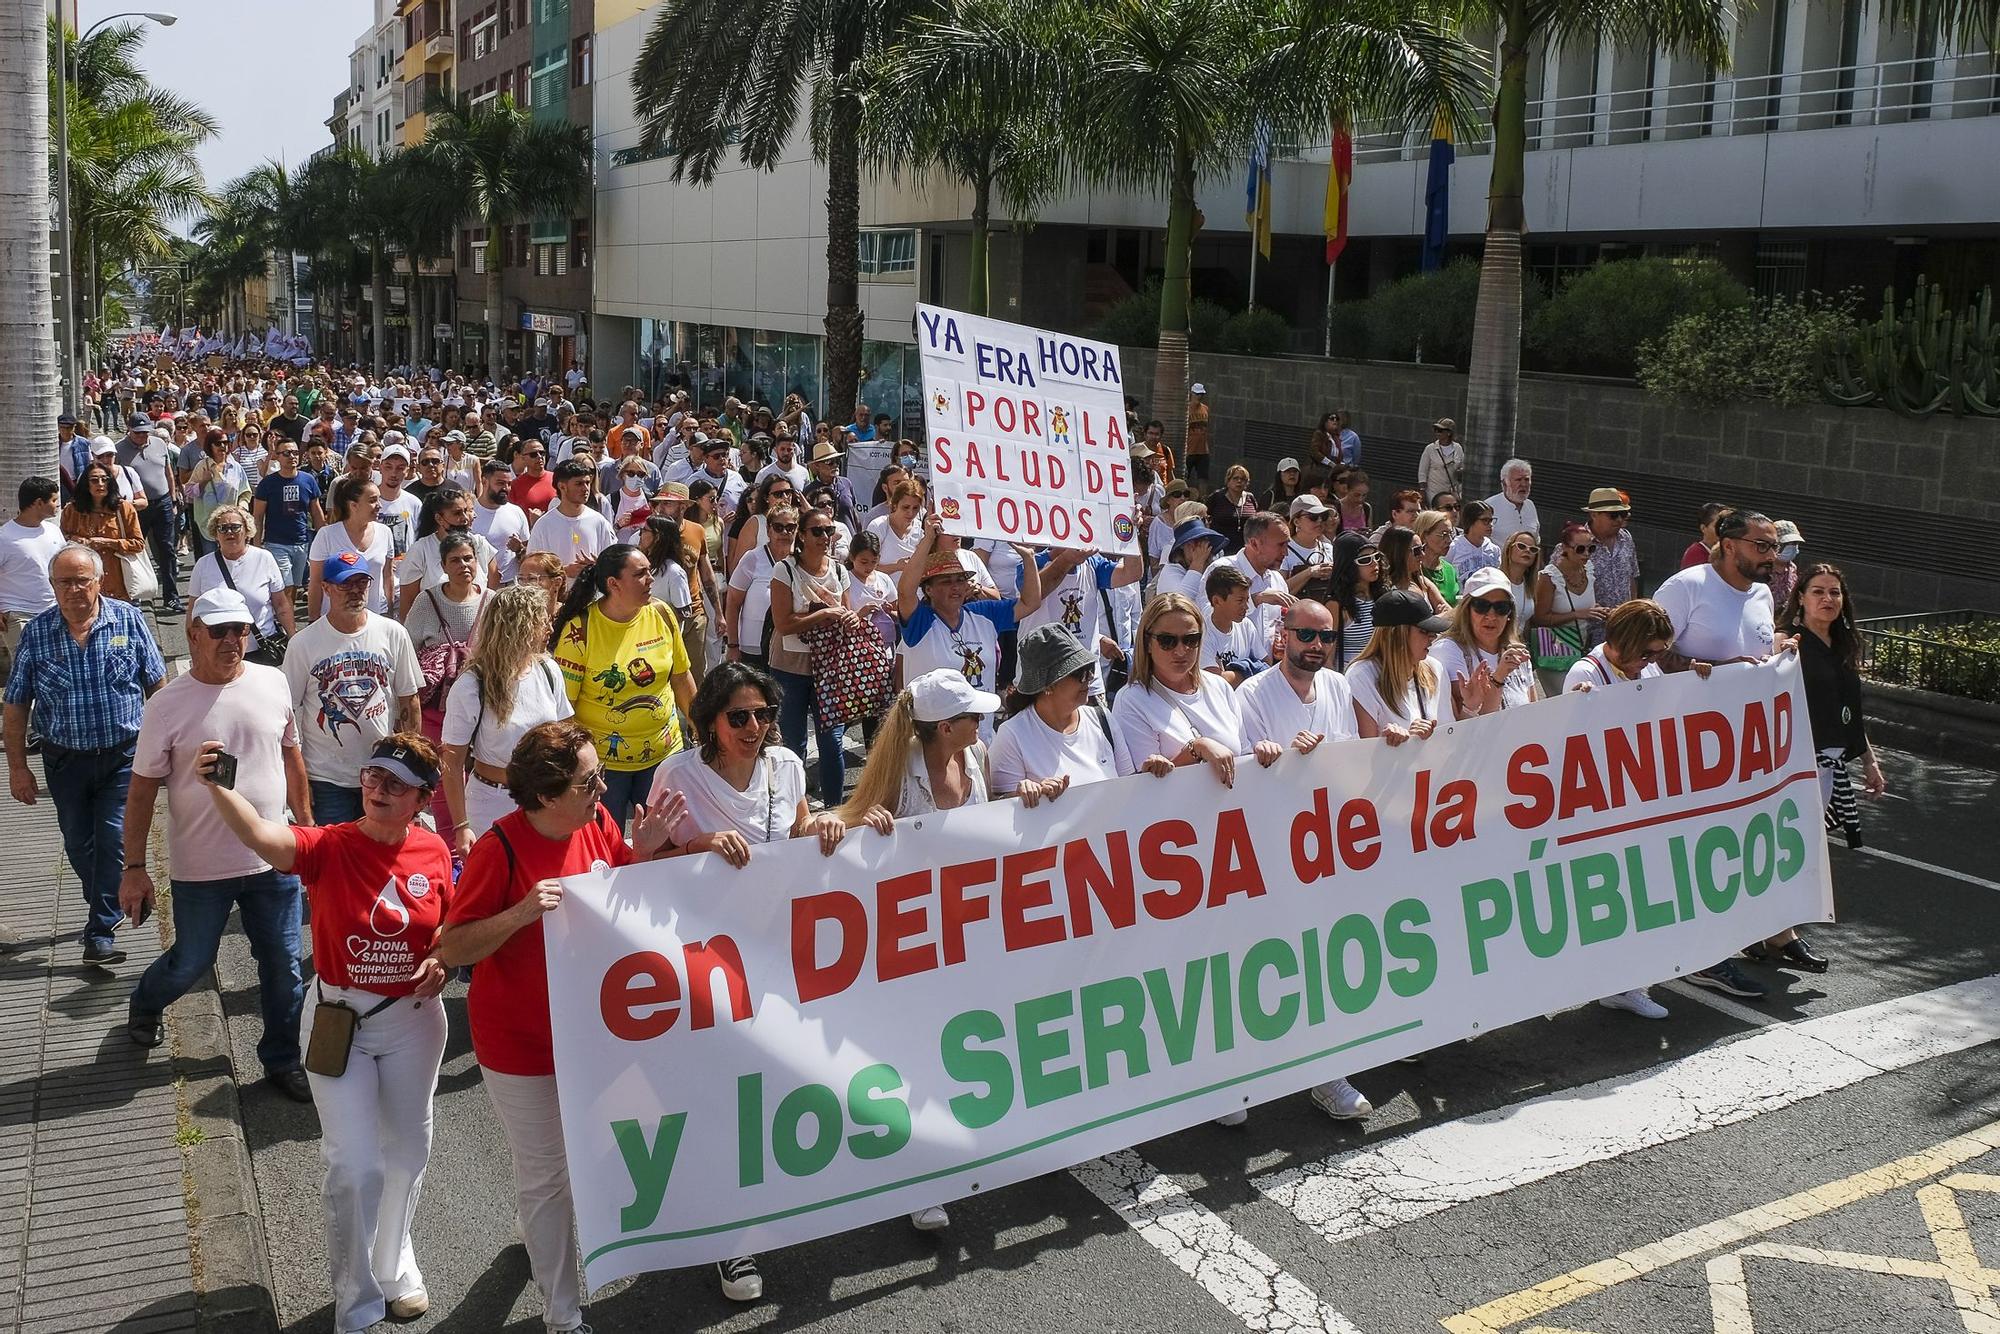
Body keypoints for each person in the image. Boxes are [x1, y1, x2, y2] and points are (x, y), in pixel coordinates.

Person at [433, 721, 681, 1332]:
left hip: (593, 1033)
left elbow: (621, 890)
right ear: (545, 796)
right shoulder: (500, 849)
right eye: (589, 781)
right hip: (519, 1043)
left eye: (599, 776)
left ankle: (537, 1229)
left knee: (616, 1141)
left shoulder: (593, 824)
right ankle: (563, 1315)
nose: (603, 788)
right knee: (550, 1177)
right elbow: (454, 946)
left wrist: (642, 852)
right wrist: (519, 913)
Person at [648, 663, 853, 1301]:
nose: (755, 728)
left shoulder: (787, 766)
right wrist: (696, 847)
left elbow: (794, 836)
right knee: (721, 1099)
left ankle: (767, 1207)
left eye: (763, 715)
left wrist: (822, 825)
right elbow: (644, 867)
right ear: (709, 717)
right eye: (739, 716)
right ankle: (727, 1241)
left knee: (771, 1094)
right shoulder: (677, 775)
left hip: (776, 957)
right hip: (705, 962)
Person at [119, 585, 308, 1086]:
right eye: (219, 631)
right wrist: (134, 869)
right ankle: (145, 1000)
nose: (231, 641)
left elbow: (291, 755)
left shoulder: (272, 681)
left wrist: (308, 830)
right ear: (194, 634)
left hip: (273, 859)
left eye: (240, 630)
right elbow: (140, 793)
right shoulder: (165, 705)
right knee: (191, 962)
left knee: (284, 966)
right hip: (201, 866)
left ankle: (283, 1060)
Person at [1234, 598, 1374, 1120]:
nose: (1317, 647)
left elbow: (1357, 756)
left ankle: (1327, 1074)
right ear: (1282, 635)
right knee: (1266, 965)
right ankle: (1240, 1077)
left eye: (1327, 638)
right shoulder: (1251, 694)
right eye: (1307, 636)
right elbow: (1239, 775)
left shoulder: (1339, 687)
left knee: (1323, 961)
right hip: (1273, 851)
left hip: (1332, 846)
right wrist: (1276, 756)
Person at [3, 545, 166, 964]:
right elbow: (17, 703)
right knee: (78, 844)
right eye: (64, 582)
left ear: (99, 582)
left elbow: (158, 687)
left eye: (82, 580)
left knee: (113, 839)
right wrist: (18, 767)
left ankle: (101, 930)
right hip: (63, 761)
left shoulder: (127, 620)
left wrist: (169, 749)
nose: (73, 589)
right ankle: (115, 897)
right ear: (53, 586)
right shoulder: (37, 633)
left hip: (123, 756)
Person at [1653, 510, 1785, 1000]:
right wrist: (1706, 668)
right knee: (1685, 851)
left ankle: (1717, 948)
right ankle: (1697, 956)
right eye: (1763, 546)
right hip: (1681, 746)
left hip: (1740, 753)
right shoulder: (1687, 586)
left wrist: (1779, 651)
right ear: (1729, 544)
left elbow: (1757, 653)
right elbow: (1639, 650)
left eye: (1774, 548)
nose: (1772, 557)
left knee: (1725, 851)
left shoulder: (1764, 594)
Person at [1556, 596, 1681, 1022]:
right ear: (1623, 642)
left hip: (1634, 804)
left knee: (1635, 898)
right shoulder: (1585, 673)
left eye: (1659, 653)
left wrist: (1700, 681)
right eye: (1647, 652)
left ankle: (1625, 983)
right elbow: (1573, 746)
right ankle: (1605, 981)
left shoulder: (1645, 669)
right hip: (1598, 812)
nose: (1651, 661)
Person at [1759, 563, 1877, 970]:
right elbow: (1762, 685)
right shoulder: (1788, 642)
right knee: (1786, 847)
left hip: (1829, 766)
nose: (1828, 599)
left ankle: (1775, 929)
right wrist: (1776, 652)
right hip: (1792, 765)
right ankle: (1778, 933)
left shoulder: (1844, 645)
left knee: (1801, 850)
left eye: (1835, 592)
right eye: (1818, 591)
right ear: (1801, 598)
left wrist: (1869, 762)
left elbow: (1852, 713)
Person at [551, 543, 696, 826]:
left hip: (664, 758)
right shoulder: (580, 631)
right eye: (640, 574)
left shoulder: (662, 614)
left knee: (665, 841)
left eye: (649, 572)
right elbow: (564, 710)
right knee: (607, 845)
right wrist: (580, 765)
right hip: (605, 769)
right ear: (613, 584)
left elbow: (681, 677)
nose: (651, 579)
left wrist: (703, 727)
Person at [287, 553, 424, 825]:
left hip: (384, 772)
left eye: (361, 583)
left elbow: (410, 701)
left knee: (382, 854)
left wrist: (411, 766)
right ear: (325, 588)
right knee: (335, 858)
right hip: (327, 778)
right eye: (345, 584)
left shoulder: (392, 632)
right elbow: (286, 712)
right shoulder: (304, 644)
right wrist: (298, 781)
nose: (355, 591)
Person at [439, 586, 571, 855]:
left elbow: (567, 735)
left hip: (545, 800)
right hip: (491, 802)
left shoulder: (548, 670)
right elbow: (451, 762)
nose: (549, 628)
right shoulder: (471, 685)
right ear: (520, 627)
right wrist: (461, 826)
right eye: (542, 621)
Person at [895, 518, 1044, 738]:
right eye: (946, 582)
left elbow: (1030, 603)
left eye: (961, 580)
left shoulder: (983, 613)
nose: (956, 587)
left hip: (980, 736)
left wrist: (1028, 558)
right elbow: (905, 593)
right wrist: (928, 539)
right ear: (928, 590)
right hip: (933, 739)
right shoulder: (920, 622)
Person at [767, 505, 857, 803]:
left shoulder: (840, 570)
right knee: (793, 744)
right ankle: (795, 811)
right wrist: (824, 614)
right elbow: (783, 624)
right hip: (790, 668)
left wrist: (850, 618)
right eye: (817, 531)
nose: (824, 536)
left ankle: (834, 809)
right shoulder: (785, 570)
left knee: (832, 742)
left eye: (829, 530)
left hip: (830, 667)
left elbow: (846, 614)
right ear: (802, 536)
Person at [986, 624, 1133, 799]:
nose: (1090, 677)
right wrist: (1026, 794)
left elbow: (1130, 788)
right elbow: (998, 810)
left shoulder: (1103, 719)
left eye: (1090, 669)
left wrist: (1152, 772)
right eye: (1080, 673)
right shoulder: (1011, 735)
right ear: (1048, 686)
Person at [188, 504, 294, 666]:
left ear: (247, 531)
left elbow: (281, 605)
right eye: (223, 528)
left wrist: (294, 639)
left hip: (262, 650)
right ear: (215, 534)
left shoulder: (264, 558)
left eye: (235, 527)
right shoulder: (203, 565)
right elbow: (192, 613)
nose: (229, 532)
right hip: (220, 650)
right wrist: (195, 652)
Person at [1430, 567, 1537, 719]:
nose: (1491, 616)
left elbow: (1534, 713)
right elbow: (1461, 724)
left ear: (1509, 614)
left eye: (1501, 607)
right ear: (1466, 610)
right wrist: (1498, 677)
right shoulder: (1448, 651)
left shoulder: (1517, 653)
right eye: (1482, 606)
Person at [1346, 589, 1446, 742]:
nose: (1432, 638)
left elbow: (1448, 736)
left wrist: (1469, 707)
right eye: (1424, 631)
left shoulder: (1434, 668)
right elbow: (1363, 753)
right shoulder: (1360, 676)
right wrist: (1401, 743)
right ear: (1397, 635)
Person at [116, 414, 184, 614]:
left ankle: (171, 597)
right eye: (138, 433)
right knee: (134, 551)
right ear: (129, 430)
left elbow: (168, 473)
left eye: (145, 432)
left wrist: (172, 498)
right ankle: (135, 595)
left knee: (167, 550)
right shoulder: (119, 450)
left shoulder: (159, 444)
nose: (142, 437)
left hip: (162, 502)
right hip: (137, 507)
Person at [398, 486, 501, 617]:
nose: (465, 518)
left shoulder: (480, 544)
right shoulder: (420, 550)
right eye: (457, 513)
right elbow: (407, 605)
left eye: (466, 511)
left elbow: (494, 591)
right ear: (439, 519)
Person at [1531, 521, 1605, 697]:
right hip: (1555, 652)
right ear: (1565, 547)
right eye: (1580, 549)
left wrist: (1599, 611)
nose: (1586, 554)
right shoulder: (1550, 577)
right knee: (1564, 701)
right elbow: (1539, 618)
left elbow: (1586, 606)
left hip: (1581, 647)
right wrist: (1578, 614)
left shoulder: (1588, 570)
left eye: (1591, 548)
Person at [307, 477, 397, 618]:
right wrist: (313, 620)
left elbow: (388, 576)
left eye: (379, 499)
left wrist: (390, 612)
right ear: (353, 505)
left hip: (376, 617)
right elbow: (316, 582)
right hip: (335, 621)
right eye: (373, 500)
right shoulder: (326, 535)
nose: (379, 505)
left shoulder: (385, 532)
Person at [0, 478, 65, 668]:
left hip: (54, 611)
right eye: (53, 500)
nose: (57, 504)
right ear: (38, 503)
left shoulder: (54, 531)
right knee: (27, 670)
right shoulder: (5, 537)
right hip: (19, 615)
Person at [60, 460, 146, 602]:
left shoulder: (123, 508)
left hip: (118, 584)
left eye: (104, 479)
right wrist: (76, 540)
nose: (100, 484)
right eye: (94, 480)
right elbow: (62, 540)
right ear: (86, 485)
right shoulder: (72, 510)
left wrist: (108, 543)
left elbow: (138, 544)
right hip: (85, 585)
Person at [528, 459, 617, 580]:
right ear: (562, 486)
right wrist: (563, 571)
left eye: (587, 482)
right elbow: (532, 568)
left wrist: (597, 565)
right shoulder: (544, 525)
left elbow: (612, 562)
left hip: (591, 595)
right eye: (579, 484)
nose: (586, 489)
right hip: (557, 595)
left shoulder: (599, 521)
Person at [184, 429, 251, 561]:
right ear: (210, 446)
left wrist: (241, 509)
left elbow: (245, 493)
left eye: (226, 442)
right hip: (208, 524)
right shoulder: (202, 466)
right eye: (218, 443)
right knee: (211, 560)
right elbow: (189, 492)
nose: (223, 446)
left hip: (231, 524)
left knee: (232, 557)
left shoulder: (236, 467)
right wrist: (203, 481)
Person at [1327, 530, 1382, 671]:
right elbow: (1328, 658)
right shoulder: (1336, 605)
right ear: (1348, 565)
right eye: (1365, 560)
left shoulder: (1382, 596)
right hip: (1350, 679)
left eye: (1376, 557)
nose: (1374, 563)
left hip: (1381, 677)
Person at [1201, 564, 1265, 684]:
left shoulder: (1246, 625)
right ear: (1217, 601)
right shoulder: (1202, 634)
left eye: (1247, 600)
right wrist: (1249, 671)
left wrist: (1231, 674)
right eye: (1240, 600)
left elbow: (1266, 664)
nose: (1246, 607)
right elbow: (1216, 682)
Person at [1584, 487, 1640, 606]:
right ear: (1594, 515)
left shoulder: (1626, 538)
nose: (1619, 519)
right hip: (1588, 623)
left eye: (1623, 514)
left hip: (1622, 621)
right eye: (1613, 515)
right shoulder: (1577, 542)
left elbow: (1632, 578)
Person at [1157, 514, 1226, 605]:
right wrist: (1197, 562)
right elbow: (1183, 601)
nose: (1198, 547)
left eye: (1202, 540)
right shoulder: (1170, 571)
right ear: (1182, 546)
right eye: (1193, 542)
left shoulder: (1212, 569)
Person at [865, 479, 926, 575]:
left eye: (915, 508)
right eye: (905, 507)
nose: (911, 513)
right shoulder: (878, 526)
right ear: (894, 505)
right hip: (882, 588)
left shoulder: (921, 531)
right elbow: (865, 566)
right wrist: (897, 567)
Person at [1411, 508, 1460, 606]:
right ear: (1424, 536)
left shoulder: (1449, 569)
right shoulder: (1413, 569)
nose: (1449, 540)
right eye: (1444, 534)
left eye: (1451, 534)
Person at [1205, 465, 1258, 552]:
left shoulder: (1250, 498)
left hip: (1243, 549)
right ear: (1228, 480)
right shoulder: (1217, 497)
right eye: (1235, 478)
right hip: (1220, 548)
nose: (1239, 481)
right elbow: (1205, 517)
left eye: (1243, 479)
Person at [1486, 458, 1539, 546]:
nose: (1523, 484)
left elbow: (1536, 541)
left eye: (1526, 479)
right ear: (1504, 483)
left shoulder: (1530, 506)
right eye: (1518, 480)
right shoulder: (1488, 507)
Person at [1498, 529, 1541, 635]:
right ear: (1509, 549)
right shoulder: (1496, 580)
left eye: (1533, 549)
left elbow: (1525, 622)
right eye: (1521, 546)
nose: (1527, 551)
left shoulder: (1531, 585)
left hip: (1518, 644)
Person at [1417, 418, 1464, 507]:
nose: (1437, 432)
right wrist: (1422, 491)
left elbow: (1462, 467)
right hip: (1434, 490)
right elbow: (1422, 471)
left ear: (1449, 433)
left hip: (1451, 490)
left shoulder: (1458, 448)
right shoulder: (1430, 449)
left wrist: (1459, 471)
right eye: (1436, 430)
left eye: (1440, 430)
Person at [1682, 502, 1733, 570]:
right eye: (1717, 526)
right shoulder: (1695, 554)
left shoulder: (1729, 551)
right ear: (1703, 528)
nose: (1723, 530)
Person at [1769, 518, 1804, 611]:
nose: (1792, 547)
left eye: (1795, 543)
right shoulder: (1761, 568)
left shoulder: (1792, 568)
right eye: (1787, 543)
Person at [1184, 384, 1211, 481]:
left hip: (1203, 450)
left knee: (1203, 478)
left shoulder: (1205, 409)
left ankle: (1202, 496)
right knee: (1185, 476)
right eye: (1197, 394)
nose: (1199, 396)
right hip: (1189, 450)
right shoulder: (1186, 409)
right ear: (1192, 394)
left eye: (1201, 394)